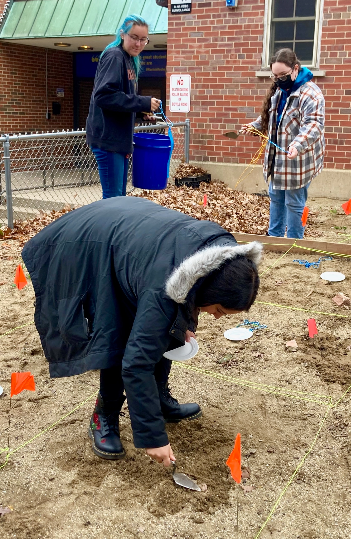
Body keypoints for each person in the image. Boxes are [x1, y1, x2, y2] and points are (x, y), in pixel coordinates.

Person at [21, 196, 261, 467]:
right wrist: (153, 438)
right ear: (208, 289)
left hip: (133, 240)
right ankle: (104, 417)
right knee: (116, 335)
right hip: (88, 244)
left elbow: (186, 297)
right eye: (218, 309)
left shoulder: (219, 258)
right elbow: (136, 364)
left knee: (163, 329)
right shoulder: (164, 287)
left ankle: (158, 399)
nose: (217, 317)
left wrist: (185, 326)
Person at [239, 48, 325, 239]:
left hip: (298, 159)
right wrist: (254, 126)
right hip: (276, 158)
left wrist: (297, 144)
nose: (278, 79)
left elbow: (314, 124)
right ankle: (275, 237)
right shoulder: (279, 91)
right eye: (275, 76)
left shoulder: (310, 93)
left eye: (283, 75)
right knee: (276, 198)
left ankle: (294, 241)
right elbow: (271, 119)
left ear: (295, 69)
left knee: (294, 202)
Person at [86, 14, 162, 199]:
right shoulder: (115, 56)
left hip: (118, 140)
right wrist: (142, 102)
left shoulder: (128, 58)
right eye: (134, 37)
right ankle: (106, 229)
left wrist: (140, 112)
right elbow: (104, 96)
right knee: (113, 200)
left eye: (143, 39)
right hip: (109, 140)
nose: (139, 44)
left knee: (119, 198)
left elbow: (119, 102)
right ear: (122, 34)